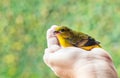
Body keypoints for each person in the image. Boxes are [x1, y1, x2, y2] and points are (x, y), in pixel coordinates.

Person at [43, 25, 118, 78]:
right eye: (56, 31)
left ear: (68, 32)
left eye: (61, 30)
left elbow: (87, 42)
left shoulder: (70, 39)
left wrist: (82, 65)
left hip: (89, 45)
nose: (57, 32)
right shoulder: (62, 39)